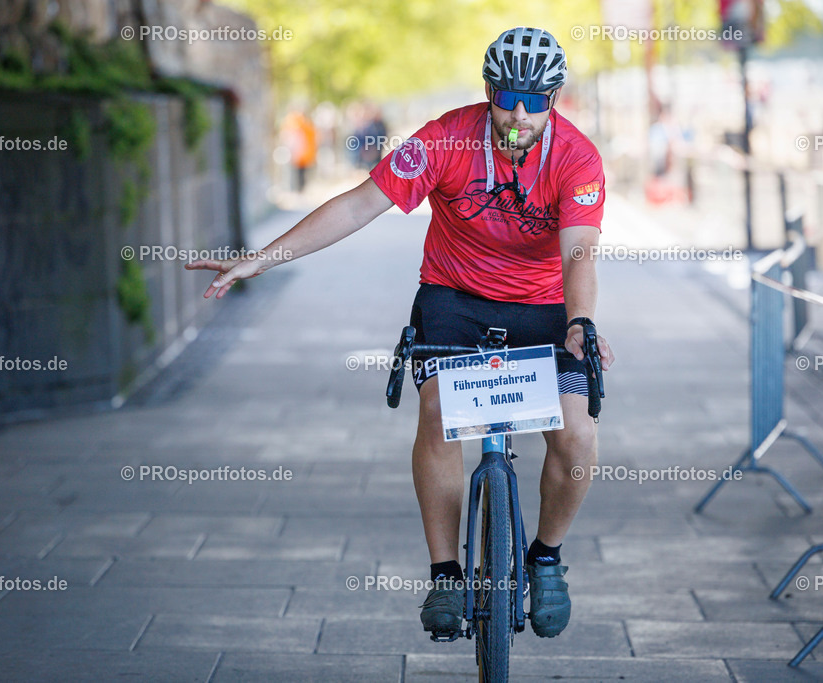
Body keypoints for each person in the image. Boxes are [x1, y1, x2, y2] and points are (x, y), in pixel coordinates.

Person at [187, 27, 614, 639]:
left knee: (576, 436)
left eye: (536, 101)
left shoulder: (578, 158)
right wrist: (263, 257)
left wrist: (581, 321)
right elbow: (362, 204)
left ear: (556, 98)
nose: (519, 115)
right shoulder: (445, 137)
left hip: (543, 304)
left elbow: (579, 255)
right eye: (506, 97)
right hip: (453, 297)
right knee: (439, 412)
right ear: (488, 90)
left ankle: (545, 558)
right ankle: (445, 575)